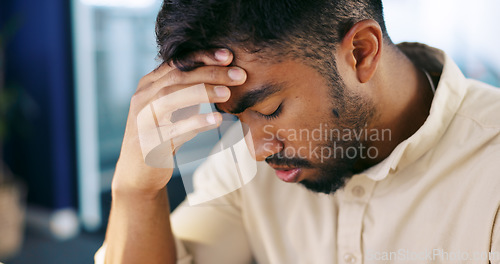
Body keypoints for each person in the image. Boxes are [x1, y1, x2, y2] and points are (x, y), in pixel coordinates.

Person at [96, 0, 500, 263]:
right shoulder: (246, 164)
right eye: (238, 117)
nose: (255, 149)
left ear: (361, 52)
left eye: (271, 109)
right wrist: (137, 191)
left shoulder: (490, 164)